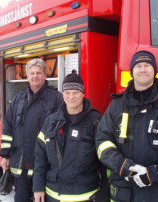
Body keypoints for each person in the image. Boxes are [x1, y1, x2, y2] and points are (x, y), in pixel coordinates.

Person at [95, 50, 158, 202]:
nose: (143, 69)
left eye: (147, 65)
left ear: (154, 71)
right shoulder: (117, 105)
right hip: (125, 192)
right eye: (138, 66)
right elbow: (102, 141)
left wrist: (154, 174)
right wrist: (125, 167)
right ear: (132, 71)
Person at [33, 70, 108, 202]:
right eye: (67, 93)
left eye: (76, 92)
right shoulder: (51, 121)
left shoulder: (96, 121)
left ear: (83, 94)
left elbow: (105, 161)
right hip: (54, 195)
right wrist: (38, 187)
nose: (71, 97)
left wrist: (105, 191)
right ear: (63, 95)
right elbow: (40, 158)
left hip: (86, 196)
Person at [0, 58, 63, 202]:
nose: (35, 76)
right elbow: (8, 128)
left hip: (46, 167)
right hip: (20, 165)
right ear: (27, 76)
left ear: (45, 75)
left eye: (39, 73)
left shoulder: (57, 99)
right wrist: (5, 155)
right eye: (32, 73)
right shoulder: (18, 99)